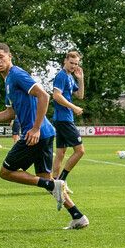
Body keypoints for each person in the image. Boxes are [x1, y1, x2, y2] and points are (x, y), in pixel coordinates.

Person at [0, 42, 89, 230]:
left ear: (9, 56)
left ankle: (52, 185)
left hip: (36, 135)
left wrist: (36, 128)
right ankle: (78, 216)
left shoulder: (17, 74)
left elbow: (44, 96)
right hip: (44, 134)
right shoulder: (8, 81)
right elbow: (10, 113)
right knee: (44, 177)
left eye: (1, 57)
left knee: (6, 172)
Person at [51, 50, 85, 183]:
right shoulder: (61, 76)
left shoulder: (70, 77)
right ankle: (62, 180)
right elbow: (56, 96)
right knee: (80, 151)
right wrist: (74, 107)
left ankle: (54, 182)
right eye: (71, 63)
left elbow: (80, 95)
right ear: (65, 61)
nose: (73, 66)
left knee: (60, 153)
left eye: (76, 64)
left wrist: (81, 79)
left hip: (63, 119)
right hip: (63, 119)